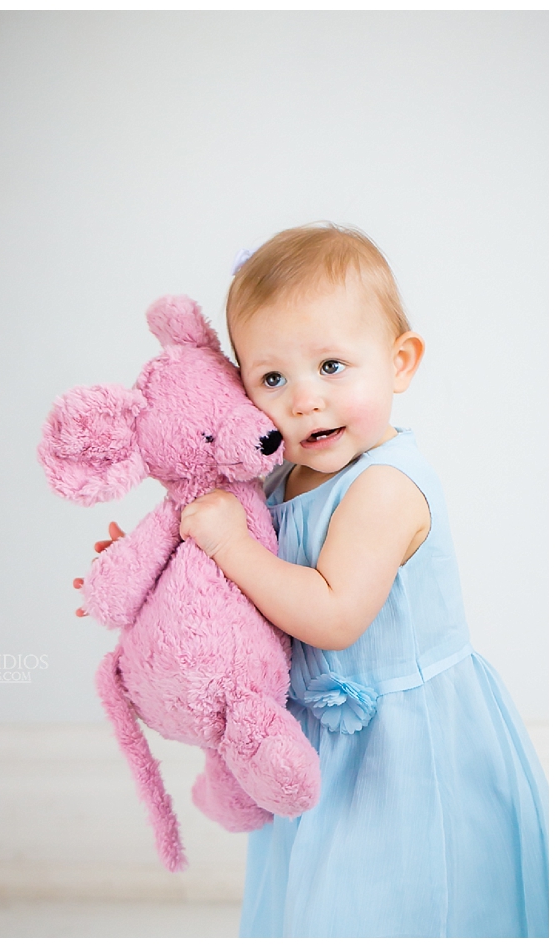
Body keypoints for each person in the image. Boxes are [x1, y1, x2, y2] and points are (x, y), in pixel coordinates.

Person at [166, 224, 547, 936]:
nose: (305, 399)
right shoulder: (281, 477)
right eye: (272, 378)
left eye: (333, 366)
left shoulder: (386, 489)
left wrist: (227, 546)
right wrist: (163, 560)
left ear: (400, 362)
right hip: (319, 741)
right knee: (320, 905)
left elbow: (334, 615)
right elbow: (232, 583)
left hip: (409, 745)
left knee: (410, 903)